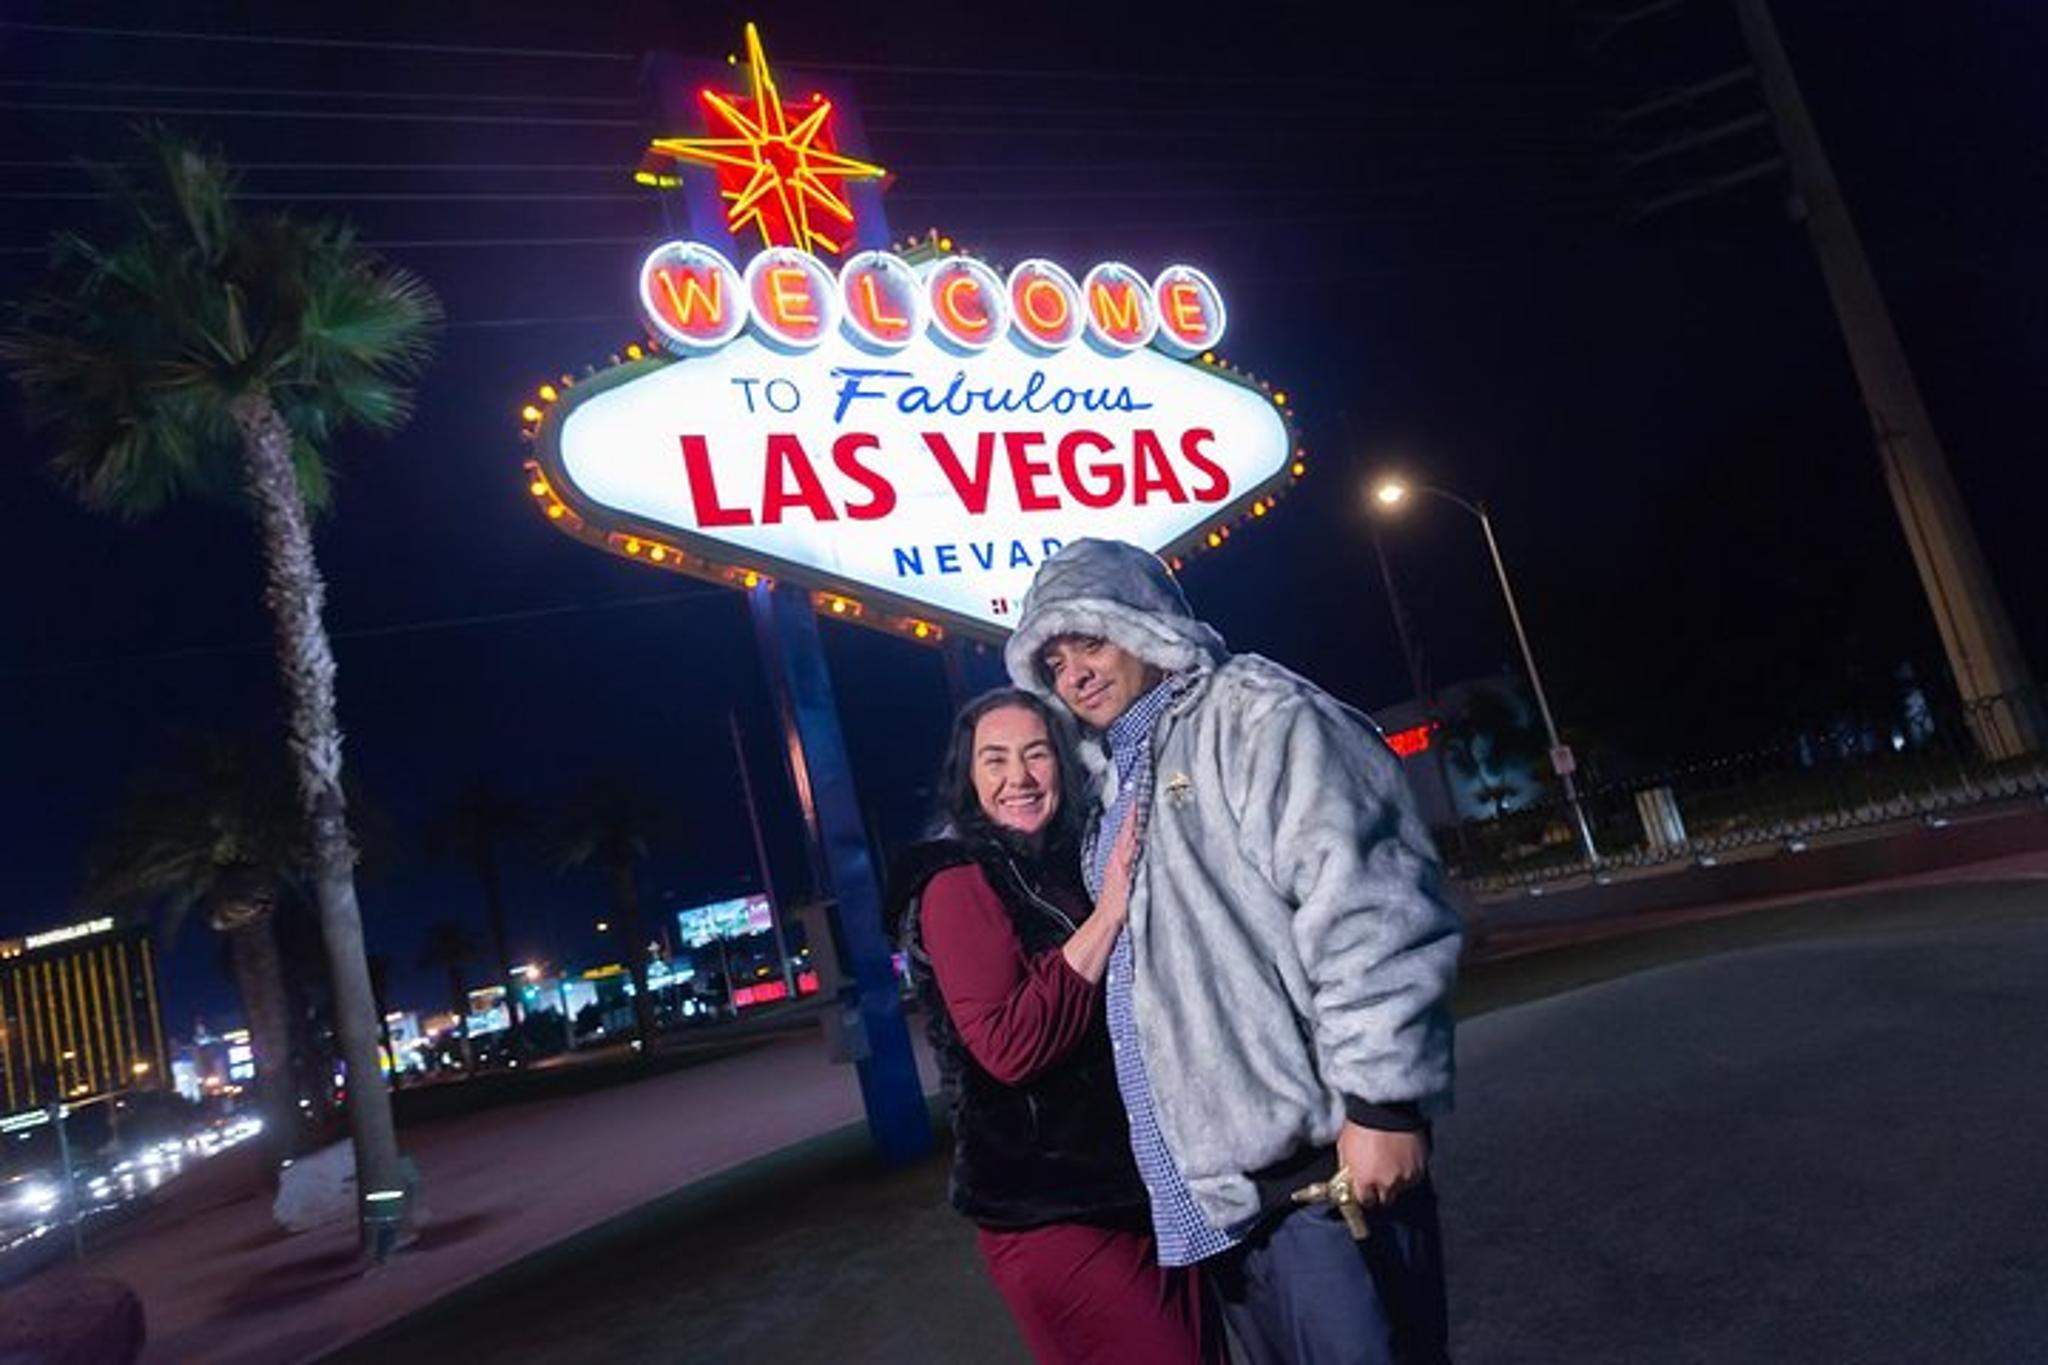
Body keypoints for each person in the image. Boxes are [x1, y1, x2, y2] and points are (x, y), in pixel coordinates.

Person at [1003, 538, 1463, 1365]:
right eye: (1055, 658)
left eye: (1092, 641)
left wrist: (1384, 1104)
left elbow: (1371, 902)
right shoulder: (1114, 784)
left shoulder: (1255, 712)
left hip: (1321, 1178)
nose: (1074, 673)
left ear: (1146, 626)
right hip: (1217, 1205)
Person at [888, 687, 1222, 1364]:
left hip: (1135, 1189)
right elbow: (1009, 1044)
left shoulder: (1067, 862)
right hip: (1050, 1210)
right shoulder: (958, 880)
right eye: (995, 759)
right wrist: (1108, 917)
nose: (1019, 777)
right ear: (967, 777)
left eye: (1037, 753)